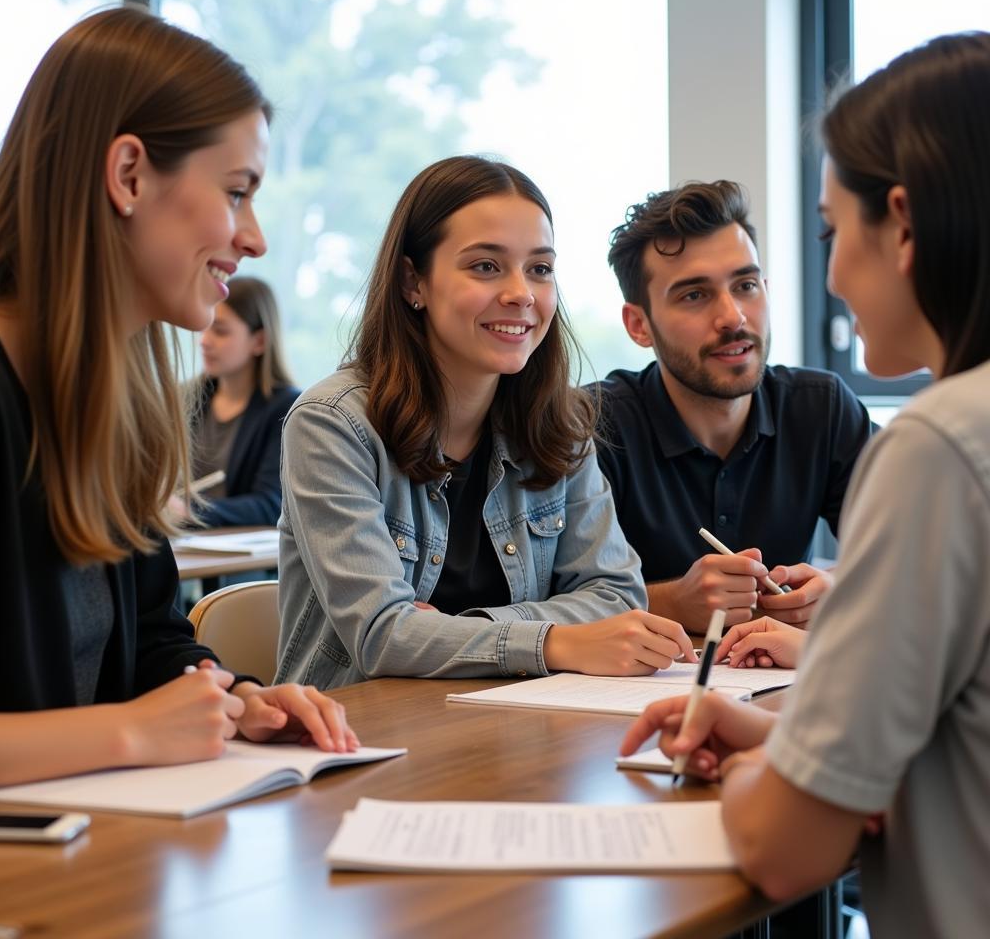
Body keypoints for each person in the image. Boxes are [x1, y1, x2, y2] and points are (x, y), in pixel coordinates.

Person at [620, 32, 990, 937]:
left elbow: (789, 848)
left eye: (831, 230)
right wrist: (796, 742)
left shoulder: (941, 446)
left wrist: (767, 777)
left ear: (901, 224)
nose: (826, 272)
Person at [0, 6, 356, 793]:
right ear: (130, 176)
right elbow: (123, 720)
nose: (255, 239)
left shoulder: (112, 402)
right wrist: (132, 733)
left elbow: (150, 637)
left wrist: (230, 698)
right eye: (238, 191)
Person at [275, 155, 695, 689]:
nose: (521, 292)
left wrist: (461, 632)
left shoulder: (559, 424)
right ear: (413, 282)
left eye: (540, 269)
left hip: (509, 725)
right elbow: (381, 635)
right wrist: (556, 639)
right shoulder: (332, 425)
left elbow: (617, 595)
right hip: (359, 734)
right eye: (486, 266)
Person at [596, 180, 873, 632]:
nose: (733, 317)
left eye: (745, 285)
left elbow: (912, 553)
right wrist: (670, 602)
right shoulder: (593, 426)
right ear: (639, 325)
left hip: (776, 691)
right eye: (694, 295)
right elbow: (540, 595)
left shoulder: (821, 408)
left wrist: (835, 585)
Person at [178, 276, 298, 527]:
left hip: (239, 561)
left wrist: (187, 510)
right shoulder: (188, 397)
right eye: (205, 327)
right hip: (180, 548)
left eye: (220, 330)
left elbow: (271, 505)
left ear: (259, 341)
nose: (204, 341)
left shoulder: (287, 408)